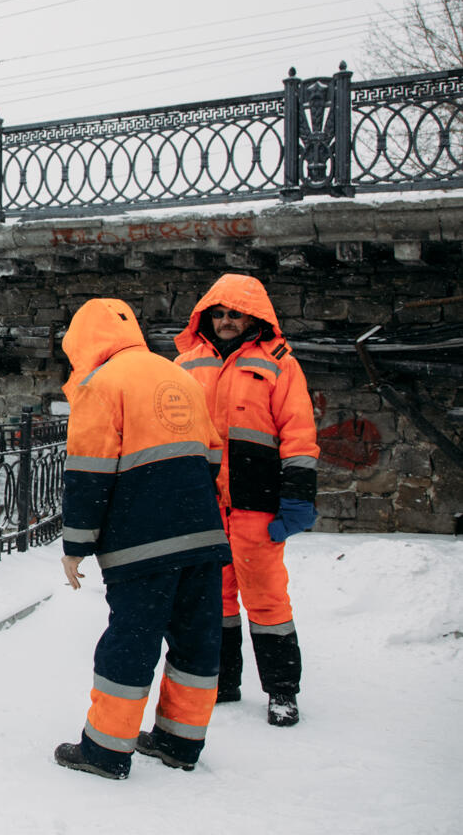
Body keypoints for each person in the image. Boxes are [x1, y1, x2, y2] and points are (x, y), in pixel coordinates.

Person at [54, 298, 229, 780]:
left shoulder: (100, 384)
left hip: (142, 541)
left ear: (84, 341)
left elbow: (89, 473)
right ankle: (180, 741)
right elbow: (212, 454)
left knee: (131, 641)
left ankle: (106, 751)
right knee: (196, 639)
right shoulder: (180, 376)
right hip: (202, 534)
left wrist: (75, 546)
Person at [174, 274, 318, 727]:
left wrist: (296, 498)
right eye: (218, 313)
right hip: (205, 504)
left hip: (258, 504)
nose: (225, 321)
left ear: (252, 316)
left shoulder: (279, 363)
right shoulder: (185, 363)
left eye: (234, 313)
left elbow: (298, 433)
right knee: (215, 597)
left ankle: (282, 691)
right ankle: (225, 682)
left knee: (268, 599)